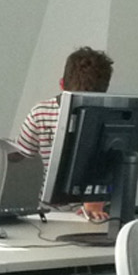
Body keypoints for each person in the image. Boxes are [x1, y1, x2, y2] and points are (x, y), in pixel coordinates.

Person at [12, 46, 115, 222]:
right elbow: (20, 153)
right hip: (50, 209)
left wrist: (96, 199)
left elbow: (113, 168)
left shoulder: (111, 118)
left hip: (97, 209)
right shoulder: (41, 113)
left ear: (61, 84)